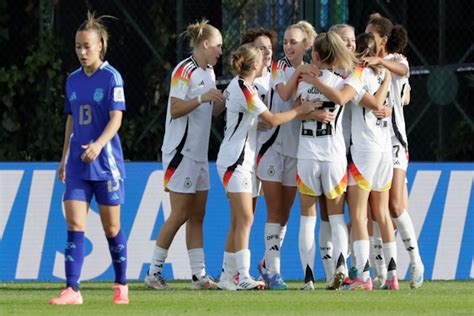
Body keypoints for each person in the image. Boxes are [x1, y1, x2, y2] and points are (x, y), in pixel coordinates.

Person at [216, 43, 316, 290]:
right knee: (246, 218)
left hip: (244, 160)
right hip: (234, 161)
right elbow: (271, 119)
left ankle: (227, 277)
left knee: (239, 220)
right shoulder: (243, 88)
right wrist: (299, 110)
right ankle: (242, 275)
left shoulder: (244, 86)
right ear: (254, 65)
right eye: (261, 59)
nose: (266, 63)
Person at [304, 32, 395, 291]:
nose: (349, 46)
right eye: (344, 41)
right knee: (370, 213)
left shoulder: (357, 73)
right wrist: (387, 74)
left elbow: (344, 98)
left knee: (355, 214)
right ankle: (385, 273)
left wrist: (315, 80)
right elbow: (381, 96)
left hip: (355, 151)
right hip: (369, 149)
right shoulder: (374, 71)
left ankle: (362, 275)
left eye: (352, 42)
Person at [49, 12, 129, 305]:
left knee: (111, 228)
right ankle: (73, 289)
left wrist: (98, 144)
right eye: (78, 47)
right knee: (74, 223)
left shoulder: (111, 77)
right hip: (77, 164)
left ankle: (121, 285)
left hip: (105, 163)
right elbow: (71, 122)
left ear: (100, 46)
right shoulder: (72, 80)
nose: (82, 52)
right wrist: (64, 157)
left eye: (87, 46)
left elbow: (116, 119)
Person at [145, 19, 225, 290]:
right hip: (180, 154)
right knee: (179, 213)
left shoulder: (210, 72)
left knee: (197, 214)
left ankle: (198, 276)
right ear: (205, 44)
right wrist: (203, 98)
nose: (220, 51)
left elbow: (208, 112)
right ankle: (153, 272)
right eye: (218, 46)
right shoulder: (184, 70)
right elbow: (176, 108)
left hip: (199, 155)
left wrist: (219, 103)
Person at [256, 21, 318, 290]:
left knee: (286, 213)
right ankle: (274, 272)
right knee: (274, 210)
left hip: (298, 150)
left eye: (294, 42)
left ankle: (266, 263)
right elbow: (284, 92)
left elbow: (309, 105)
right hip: (271, 147)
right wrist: (301, 72)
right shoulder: (280, 67)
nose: (288, 46)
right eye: (286, 41)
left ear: (306, 45)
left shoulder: (314, 71)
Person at [365, 13, 424, 289]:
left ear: (384, 40)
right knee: (375, 209)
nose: (366, 42)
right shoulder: (365, 65)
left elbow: (402, 72)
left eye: (371, 37)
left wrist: (380, 61)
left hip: (395, 142)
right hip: (371, 143)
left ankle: (416, 262)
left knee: (396, 205)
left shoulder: (396, 60)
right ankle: (380, 271)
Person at [295, 31, 357, 290]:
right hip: (333, 156)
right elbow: (341, 99)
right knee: (336, 217)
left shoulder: (303, 81)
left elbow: (297, 113)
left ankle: (308, 278)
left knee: (307, 218)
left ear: (316, 56)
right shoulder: (342, 82)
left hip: (307, 155)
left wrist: (311, 110)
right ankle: (341, 266)